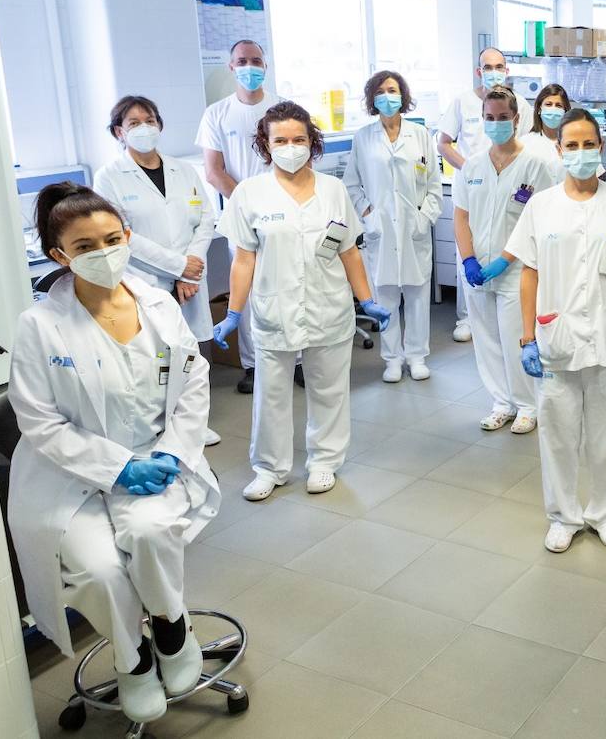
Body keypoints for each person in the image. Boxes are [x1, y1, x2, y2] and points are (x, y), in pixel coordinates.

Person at [8, 182, 221, 723]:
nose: (103, 253)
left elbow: (193, 383)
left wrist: (173, 452)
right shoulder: (39, 327)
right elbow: (38, 422)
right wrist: (116, 467)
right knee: (102, 572)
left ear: (127, 236)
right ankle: (133, 660)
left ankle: (172, 629)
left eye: (111, 238)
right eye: (84, 247)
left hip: (156, 458)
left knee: (148, 534)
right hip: (69, 476)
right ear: (59, 255)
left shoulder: (157, 305)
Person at [214, 101, 391, 501]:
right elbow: (244, 259)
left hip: (329, 307)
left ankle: (324, 461)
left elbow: (348, 250)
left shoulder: (332, 190)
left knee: (329, 389)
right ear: (265, 143)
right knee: (271, 394)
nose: (290, 146)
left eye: (299, 139)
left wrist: (367, 299)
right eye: (281, 140)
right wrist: (232, 313)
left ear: (312, 142)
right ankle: (269, 468)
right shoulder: (249, 193)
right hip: (274, 310)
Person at [508, 108, 606, 552]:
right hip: (555, 338)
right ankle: (563, 516)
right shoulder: (541, 205)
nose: (580, 153)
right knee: (557, 434)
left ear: (602, 147)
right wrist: (527, 337)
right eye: (570, 146)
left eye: (587, 144)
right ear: (558, 150)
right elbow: (529, 273)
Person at [94, 95, 221, 448]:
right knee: (156, 355)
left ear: (160, 125)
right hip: (145, 280)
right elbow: (121, 236)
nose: (144, 128)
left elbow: (205, 218)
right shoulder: (109, 177)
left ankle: (193, 422)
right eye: (133, 123)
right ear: (119, 131)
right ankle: (161, 425)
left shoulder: (184, 169)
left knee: (189, 352)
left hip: (189, 279)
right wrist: (178, 266)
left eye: (149, 120)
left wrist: (190, 268)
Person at [453, 86, 558, 434]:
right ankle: (501, 402)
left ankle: (528, 404)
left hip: (516, 270)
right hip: (477, 269)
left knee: (517, 337)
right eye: (489, 118)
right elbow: (460, 217)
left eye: (502, 118)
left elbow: (538, 222)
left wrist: (504, 259)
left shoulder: (536, 167)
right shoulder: (471, 167)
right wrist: (468, 260)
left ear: (515, 119)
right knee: (485, 339)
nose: (496, 123)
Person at [343, 71, 442, 383]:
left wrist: (423, 218)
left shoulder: (421, 135)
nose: (388, 96)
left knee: (416, 295)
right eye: (382, 91)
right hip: (381, 230)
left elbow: (434, 185)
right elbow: (352, 184)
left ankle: (416, 355)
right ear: (373, 98)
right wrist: (369, 215)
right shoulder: (363, 137)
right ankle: (392, 359)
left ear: (404, 95)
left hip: (414, 229)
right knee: (384, 296)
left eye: (393, 90)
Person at [197, 39, 281, 394]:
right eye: (242, 61)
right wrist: (249, 204)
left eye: (256, 60)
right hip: (242, 214)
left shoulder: (282, 109)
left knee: (288, 285)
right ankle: (253, 364)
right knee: (244, 289)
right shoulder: (217, 113)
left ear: (266, 65)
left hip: (284, 212)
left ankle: (296, 360)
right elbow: (214, 171)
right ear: (231, 66)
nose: (249, 66)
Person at [437, 47, 533, 344]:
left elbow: (527, 145)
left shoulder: (522, 105)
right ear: (479, 71)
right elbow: (443, 143)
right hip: (474, 184)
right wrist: (471, 171)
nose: (494, 70)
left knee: (509, 246)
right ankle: (466, 318)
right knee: (470, 250)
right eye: (488, 66)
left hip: (509, 183)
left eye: (499, 65)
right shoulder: (462, 102)